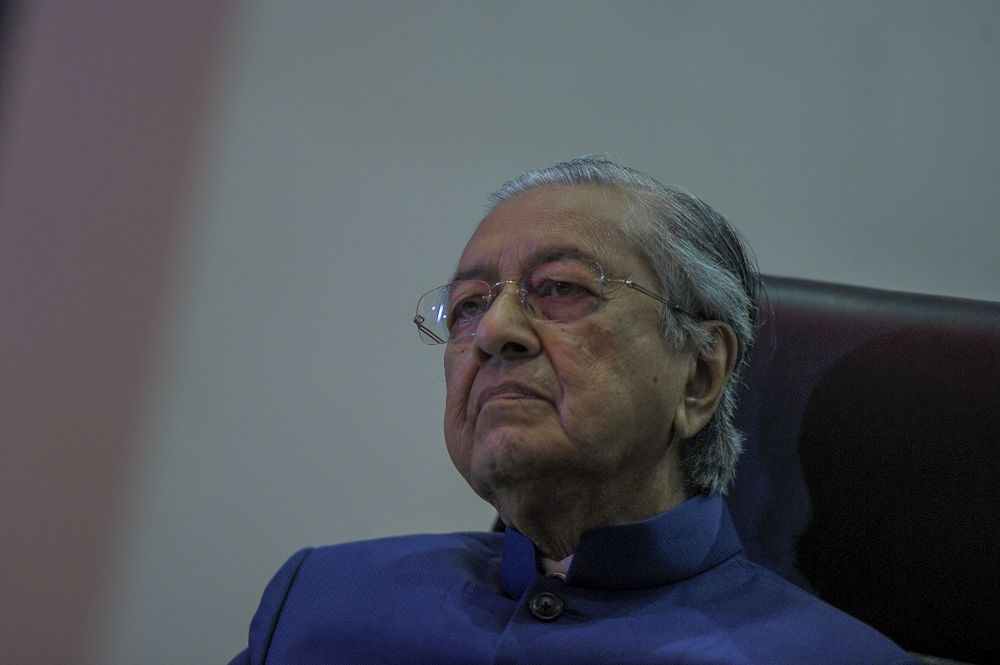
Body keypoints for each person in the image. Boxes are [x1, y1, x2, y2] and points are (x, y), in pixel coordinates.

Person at [229, 157, 917, 664]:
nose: (494, 329)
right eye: (469, 303)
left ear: (700, 376)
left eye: (559, 287)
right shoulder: (317, 601)